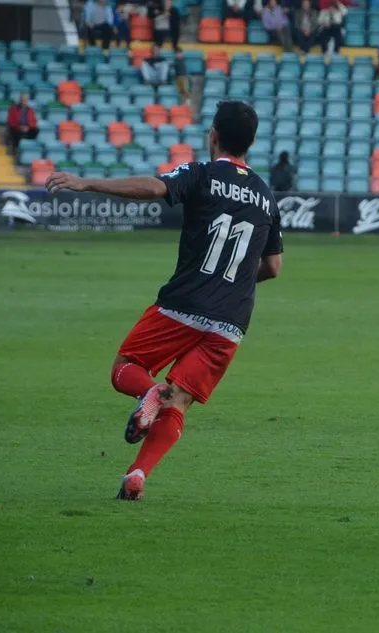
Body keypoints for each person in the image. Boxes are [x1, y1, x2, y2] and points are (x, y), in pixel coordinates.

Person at [44, 101, 284, 501]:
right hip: (232, 319)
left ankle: (148, 393)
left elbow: (155, 187)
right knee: (180, 401)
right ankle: (137, 474)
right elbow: (273, 267)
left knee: (125, 368)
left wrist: (86, 183)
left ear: (214, 135)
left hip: (184, 303)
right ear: (252, 142)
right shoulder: (265, 195)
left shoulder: (202, 173)